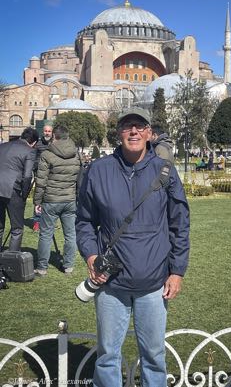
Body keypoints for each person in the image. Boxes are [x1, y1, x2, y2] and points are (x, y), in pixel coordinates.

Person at [76, 107, 190, 387]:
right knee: (107, 356)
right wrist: (91, 254)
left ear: (150, 134)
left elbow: (179, 224)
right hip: (111, 283)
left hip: (153, 282)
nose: (134, 131)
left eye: (140, 126)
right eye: (128, 126)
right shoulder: (98, 171)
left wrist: (177, 271)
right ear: (119, 133)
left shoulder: (164, 171)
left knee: (153, 355)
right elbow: (84, 222)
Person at [33, 125, 80, 276]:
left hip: (51, 200)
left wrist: (37, 201)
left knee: (45, 234)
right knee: (70, 234)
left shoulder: (47, 154)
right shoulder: (76, 154)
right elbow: (80, 178)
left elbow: (41, 181)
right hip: (69, 199)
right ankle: (69, 266)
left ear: (55, 136)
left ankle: (42, 267)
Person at [0, 127, 39, 251]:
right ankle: (12, 261)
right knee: (17, 228)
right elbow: (27, 176)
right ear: (33, 142)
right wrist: (25, 193)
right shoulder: (29, 151)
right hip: (13, 190)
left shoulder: (3, 146)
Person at [32, 123, 53, 232]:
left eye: (49, 131)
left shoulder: (55, 144)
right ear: (43, 132)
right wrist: (37, 169)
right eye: (45, 131)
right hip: (40, 174)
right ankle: (37, 221)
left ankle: (50, 221)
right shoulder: (38, 144)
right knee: (38, 197)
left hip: (52, 175)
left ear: (52, 132)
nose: (47, 133)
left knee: (51, 199)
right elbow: (33, 158)